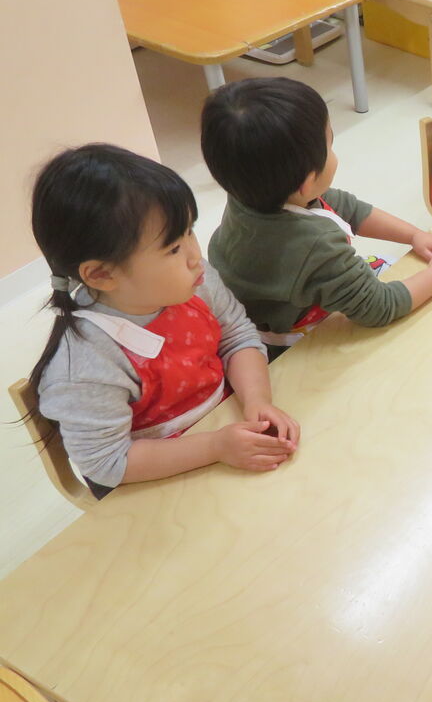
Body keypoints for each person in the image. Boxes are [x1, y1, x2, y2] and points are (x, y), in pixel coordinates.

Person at [30, 144, 300, 497]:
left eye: (189, 230)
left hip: (225, 431)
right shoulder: (83, 365)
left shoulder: (196, 281)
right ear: (101, 275)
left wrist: (257, 400)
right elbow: (108, 463)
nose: (194, 255)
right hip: (158, 482)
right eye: (173, 248)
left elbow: (237, 337)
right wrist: (215, 447)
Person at [202, 77, 432, 354]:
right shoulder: (314, 246)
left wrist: (415, 235)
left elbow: (348, 208)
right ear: (308, 182)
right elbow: (379, 307)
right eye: (330, 144)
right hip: (291, 341)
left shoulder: (251, 189)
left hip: (276, 299)